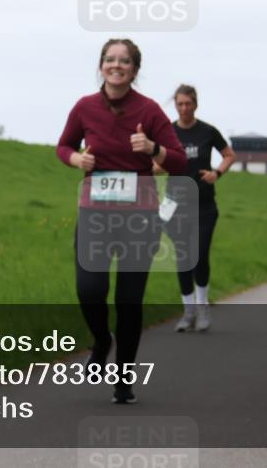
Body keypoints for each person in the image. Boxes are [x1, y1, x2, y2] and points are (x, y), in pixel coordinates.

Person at [57, 39, 186, 404]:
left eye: (124, 61)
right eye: (110, 59)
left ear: (134, 69)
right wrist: (76, 160)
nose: (116, 65)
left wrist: (153, 149)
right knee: (89, 290)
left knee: (129, 300)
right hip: (95, 214)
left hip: (139, 217)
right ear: (101, 66)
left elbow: (179, 161)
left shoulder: (150, 110)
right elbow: (63, 146)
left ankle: (123, 378)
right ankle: (102, 340)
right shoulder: (85, 107)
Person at [158, 84, 235, 332]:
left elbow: (229, 155)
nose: (184, 108)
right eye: (179, 104)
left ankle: (203, 308)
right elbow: (157, 164)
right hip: (175, 204)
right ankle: (188, 311)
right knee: (183, 257)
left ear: (195, 104)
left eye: (188, 103)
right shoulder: (167, 133)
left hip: (204, 204)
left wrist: (217, 173)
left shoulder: (207, 131)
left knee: (199, 255)